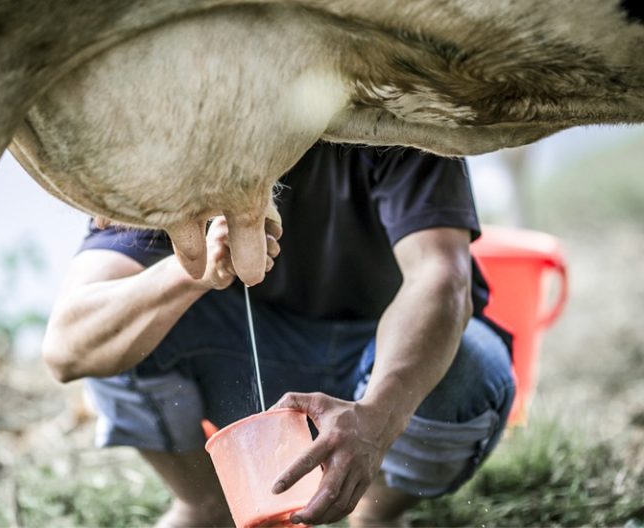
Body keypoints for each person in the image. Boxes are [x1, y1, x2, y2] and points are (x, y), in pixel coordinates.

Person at [42, 142, 515, 527]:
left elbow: (442, 279)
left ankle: (374, 510)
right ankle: (209, 505)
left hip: (384, 367)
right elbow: (68, 347)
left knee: (468, 365)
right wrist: (193, 273)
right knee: (119, 332)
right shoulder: (173, 147)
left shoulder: (398, 112)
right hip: (256, 372)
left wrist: (376, 420)